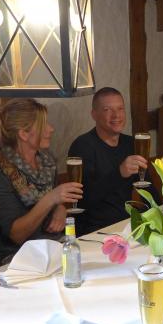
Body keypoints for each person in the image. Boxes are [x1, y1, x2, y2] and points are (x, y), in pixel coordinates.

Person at [0, 98, 82, 258]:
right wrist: (50, 199)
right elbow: (16, 235)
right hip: (18, 257)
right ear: (24, 134)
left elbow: (56, 201)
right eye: (44, 125)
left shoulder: (46, 161)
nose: (51, 129)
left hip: (53, 246)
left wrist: (60, 208)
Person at [67, 87, 151, 235]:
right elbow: (83, 200)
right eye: (107, 110)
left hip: (126, 226)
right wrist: (120, 173)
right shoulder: (83, 146)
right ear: (94, 114)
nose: (116, 115)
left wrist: (161, 214)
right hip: (93, 231)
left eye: (120, 109)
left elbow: (147, 188)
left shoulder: (131, 143)